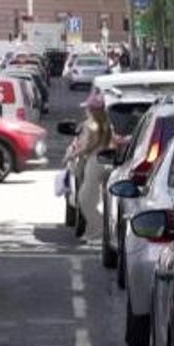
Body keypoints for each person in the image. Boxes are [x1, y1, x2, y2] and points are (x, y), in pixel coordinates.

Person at [68, 90, 112, 244]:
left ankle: (98, 230)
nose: (85, 111)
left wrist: (72, 155)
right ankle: (93, 231)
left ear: (93, 110)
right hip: (106, 161)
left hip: (94, 162)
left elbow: (88, 146)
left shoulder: (90, 125)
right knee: (95, 199)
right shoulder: (107, 125)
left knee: (85, 199)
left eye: (88, 108)